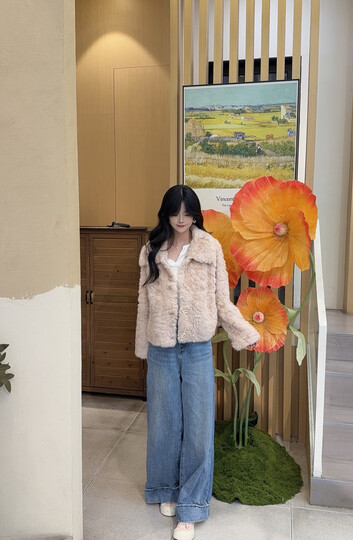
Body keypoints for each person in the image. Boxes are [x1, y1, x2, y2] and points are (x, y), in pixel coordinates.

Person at [135, 185, 259, 540]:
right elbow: (143, 302)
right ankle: (165, 488)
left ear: (195, 214)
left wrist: (243, 332)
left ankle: (191, 507)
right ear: (166, 213)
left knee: (199, 427)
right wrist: (142, 346)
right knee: (163, 423)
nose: (181, 219)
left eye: (187, 213)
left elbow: (221, 301)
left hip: (197, 349)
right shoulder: (151, 249)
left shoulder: (210, 248)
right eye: (175, 212)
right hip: (161, 348)